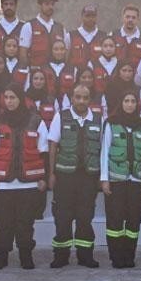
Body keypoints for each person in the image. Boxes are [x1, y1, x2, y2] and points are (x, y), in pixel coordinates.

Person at [0, 85, 49, 269]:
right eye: (6, 97)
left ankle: (26, 256)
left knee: (25, 223)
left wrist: (43, 177)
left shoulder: (36, 121)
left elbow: (43, 151)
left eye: (13, 97)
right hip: (3, 184)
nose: (9, 101)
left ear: (21, 98)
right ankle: (1, 256)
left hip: (28, 183)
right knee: (3, 224)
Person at [49, 84, 104, 269]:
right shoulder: (61, 116)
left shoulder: (98, 119)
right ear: (71, 98)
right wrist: (51, 174)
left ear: (90, 100)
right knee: (62, 217)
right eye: (78, 97)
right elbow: (53, 146)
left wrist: (100, 176)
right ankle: (61, 256)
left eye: (85, 97)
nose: (81, 101)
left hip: (88, 177)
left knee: (85, 216)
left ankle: (85, 256)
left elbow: (102, 150)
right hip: (64, 176)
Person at [100, 90, 141, 268]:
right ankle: (116, 257)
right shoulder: (111, 123)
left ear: (137, 104)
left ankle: (129, 256)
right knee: (115, 219)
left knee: (133, 220)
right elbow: (104, 152)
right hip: (116, 180)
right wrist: (104, 179)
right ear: (121, 103)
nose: (129, 104)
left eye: (132, 101)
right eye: (126, 100)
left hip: (137, 181)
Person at [20, 0, 66, 69]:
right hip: (36, 75)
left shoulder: (60, 28)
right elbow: (22, 54)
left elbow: (66, 53)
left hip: (55, 75)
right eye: (47, 4)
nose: (50, 7)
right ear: (40, 6)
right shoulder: (29, 26)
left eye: (52, 4)